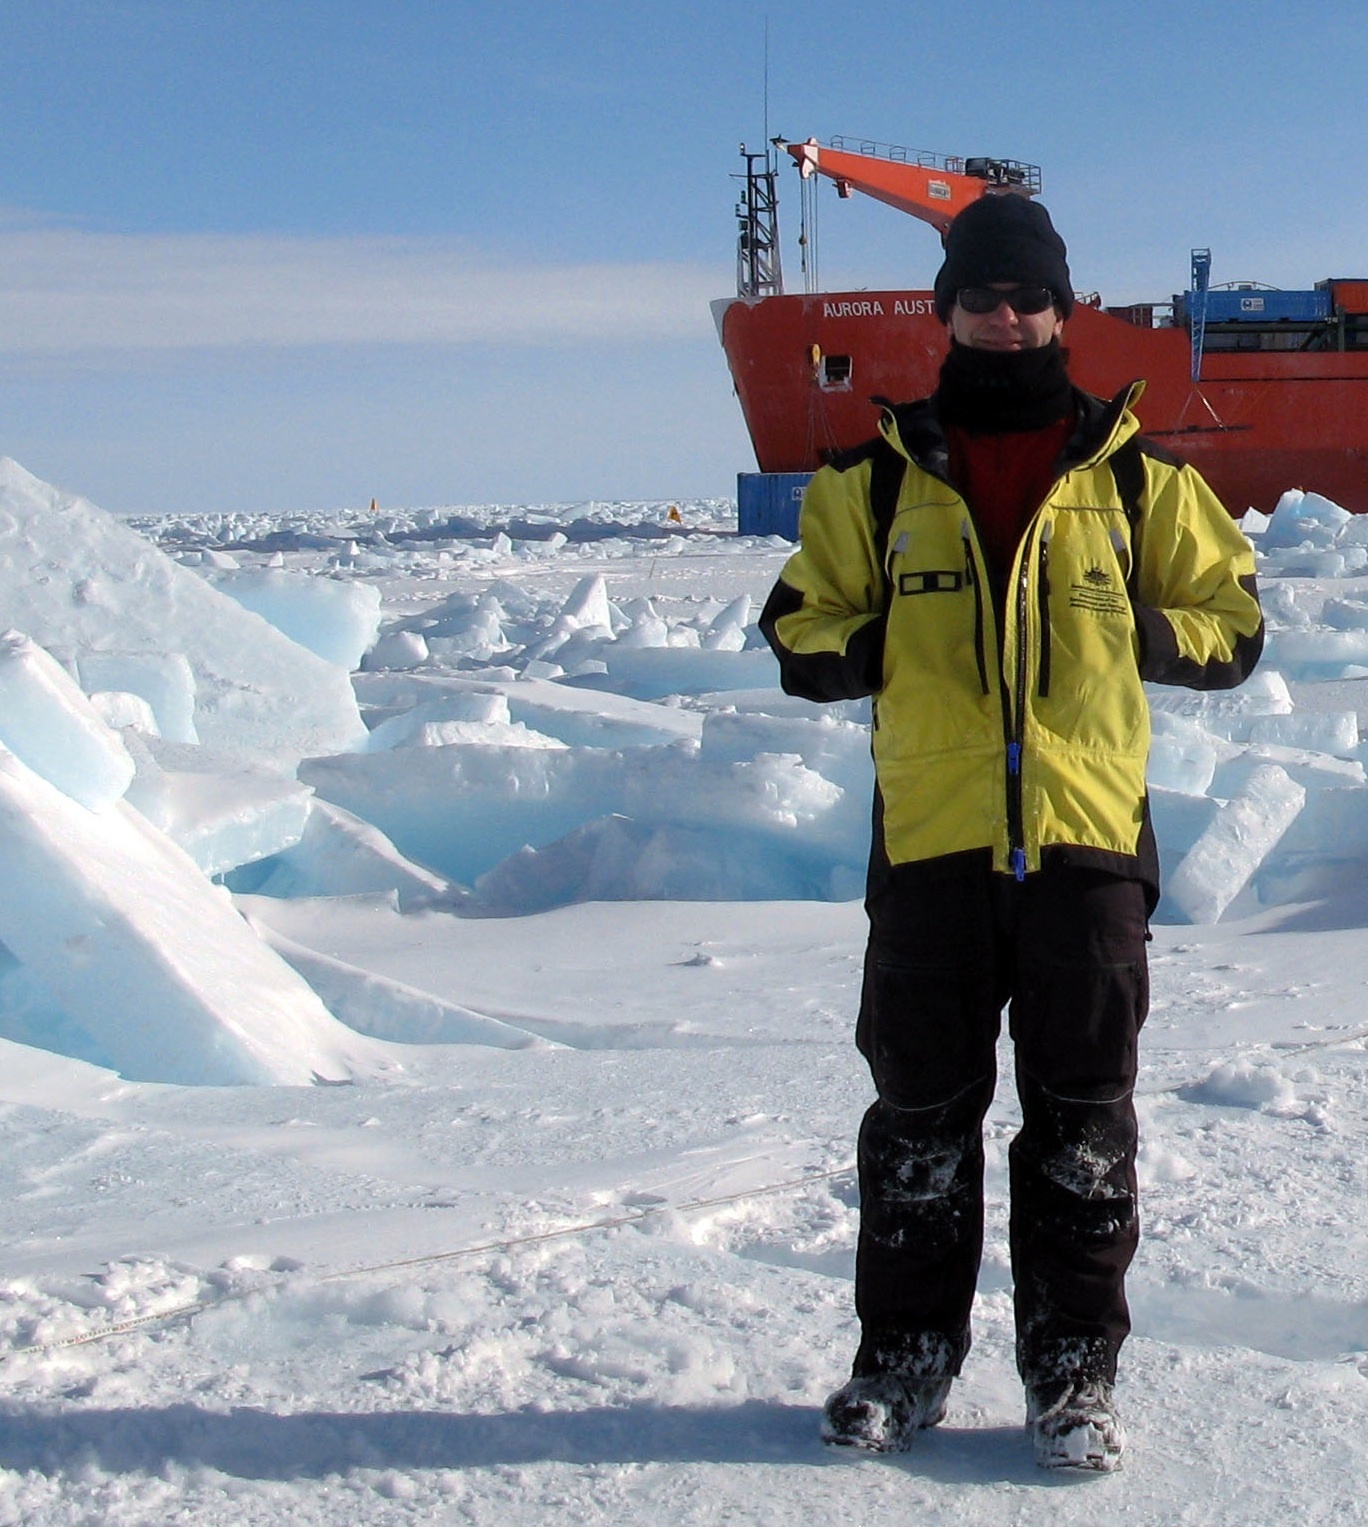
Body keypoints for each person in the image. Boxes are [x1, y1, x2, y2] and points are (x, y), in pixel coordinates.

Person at [759, 194, 1264, 1471]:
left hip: (1087, 845)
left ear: (1060, 308)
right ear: (949, 310)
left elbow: (1234, 617)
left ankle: (1074, 1372)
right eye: (980, 294)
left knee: (1085, 1124)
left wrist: (1152, 636)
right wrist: (854, 650)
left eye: (1027, 295)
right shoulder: (875, 480)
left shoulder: (1135, 473)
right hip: (932, 844)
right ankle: (905, 1361)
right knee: (919, 1118)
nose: (1004, 316)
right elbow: (801, 617)